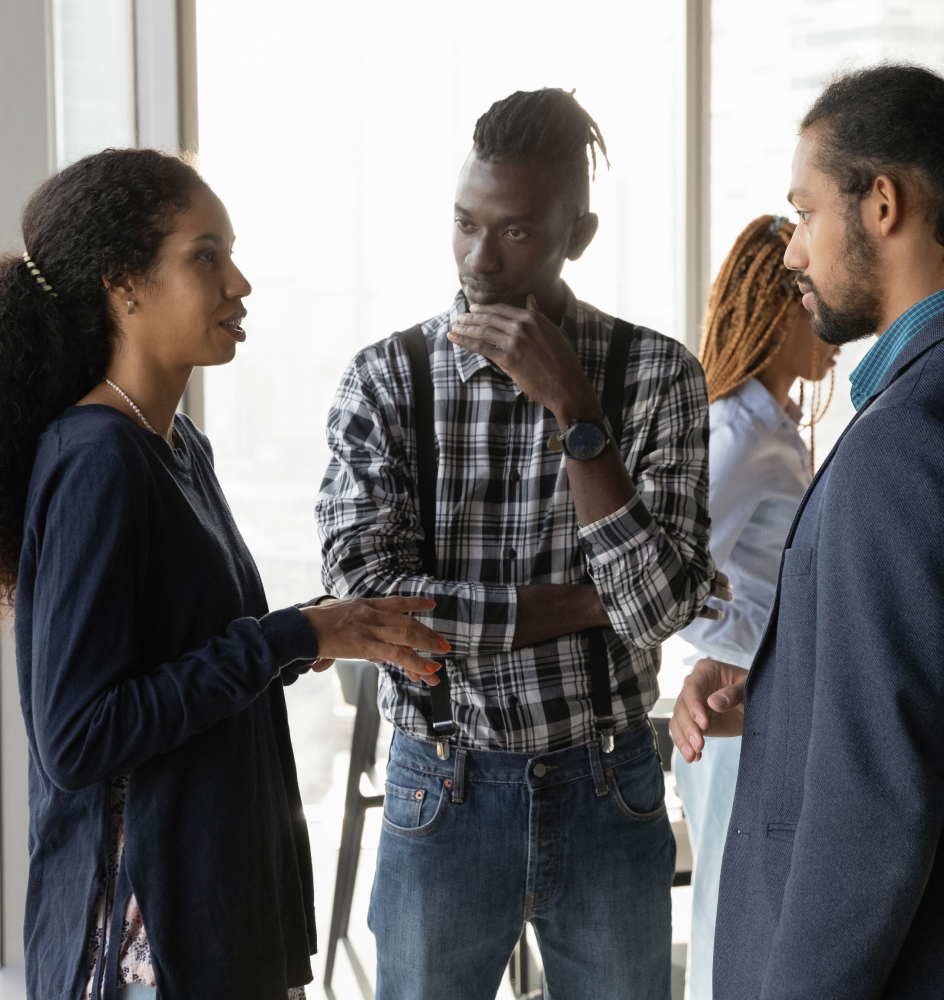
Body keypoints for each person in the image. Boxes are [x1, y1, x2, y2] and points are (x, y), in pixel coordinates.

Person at [0, 148, 449, 1000]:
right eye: (205, 256)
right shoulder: (97, 459)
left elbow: (195, 652)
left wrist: (328, 628)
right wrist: (295, 634)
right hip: (143, 949)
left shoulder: (173, 445)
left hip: (208, 918)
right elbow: (78, 736)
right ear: (122, 284)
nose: (238, 283)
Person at [316, 88, 728, 999]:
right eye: (464, 224)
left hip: (607, 785)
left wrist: (578, 414)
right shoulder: (389, 379)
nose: (478, 259)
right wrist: (592, 601)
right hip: (440, 784)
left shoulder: (655, 375)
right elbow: (374, 610)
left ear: (576, 235)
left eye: (515, 234)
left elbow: (657, 610)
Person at [671, 65, 944, 999]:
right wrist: (784, 683)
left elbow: (871, 810)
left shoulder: (910, 439)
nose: (792, 254)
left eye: (806, 213)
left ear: (883, 205)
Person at [671, 214, 838, 1000]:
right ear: (777, 312)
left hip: (765, 702)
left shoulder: (775, 426)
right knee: (729, 923)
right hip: (735, 708)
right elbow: (673, 586)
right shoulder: (735, 432)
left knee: (758, 917)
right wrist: (740, 644)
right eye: (810, 295)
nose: (831, 318)